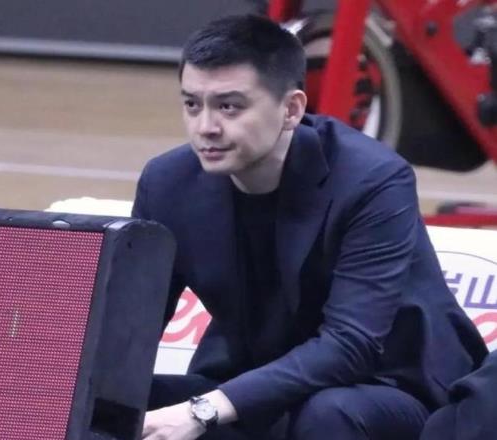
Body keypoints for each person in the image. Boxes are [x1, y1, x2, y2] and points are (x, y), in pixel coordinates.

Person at [132, 14, 488, 440]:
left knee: (328, 413)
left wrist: (204, 410)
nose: (205, 127)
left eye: (229, 106)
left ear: (292, 109)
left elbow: (350, 344)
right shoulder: (167, 182)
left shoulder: (372, 180)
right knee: (114, 400)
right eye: (193, 104)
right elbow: (129, 323)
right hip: (254, 382)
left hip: (392, 387)